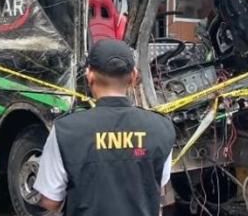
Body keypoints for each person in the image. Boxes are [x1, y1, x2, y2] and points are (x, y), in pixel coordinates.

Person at [33, 39, 176, 216]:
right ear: (133, 76)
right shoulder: (161, 128)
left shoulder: (65, 131)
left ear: (89, 75)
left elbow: (50, 201)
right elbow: (158, 186)